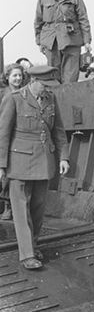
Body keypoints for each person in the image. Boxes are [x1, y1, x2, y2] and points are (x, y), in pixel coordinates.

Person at [0, 65, 70, 270]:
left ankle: (33, 244)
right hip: (19, 162)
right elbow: (3, 135)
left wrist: (63, 158)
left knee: (38, 208)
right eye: (45, 85)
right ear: (33, 81)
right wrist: (1, 165)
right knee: (21, 210)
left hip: (44, 161)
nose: (48, 89)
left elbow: (58, 131)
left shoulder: (51, 99)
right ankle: (27, 255)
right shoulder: (13, 99)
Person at [34, 0, 92, 83]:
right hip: (51, 41)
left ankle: (69, 100)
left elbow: (83, 19)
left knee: (70, 77)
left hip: (71, 40)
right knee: (53, 75)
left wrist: (86, 41)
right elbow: (38, 21)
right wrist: (39, 41)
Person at [0, 63, 28, 220]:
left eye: (19, 75)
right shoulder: (5, 95)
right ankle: (7, 206)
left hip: (19, 139)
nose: (18, 78)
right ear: (7, 77)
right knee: (6, 173)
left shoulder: (24, 93)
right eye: (14, 76)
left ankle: (16, 206)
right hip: (6, 138)